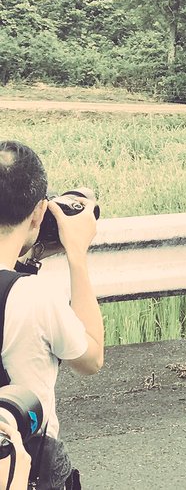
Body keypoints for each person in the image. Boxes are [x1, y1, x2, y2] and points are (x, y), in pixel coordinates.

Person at [0, 141, 104, 490]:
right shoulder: (33, 297)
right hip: (23, 469)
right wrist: (77, 255)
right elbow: (91, 358)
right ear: (37, 213)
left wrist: (26, 258)